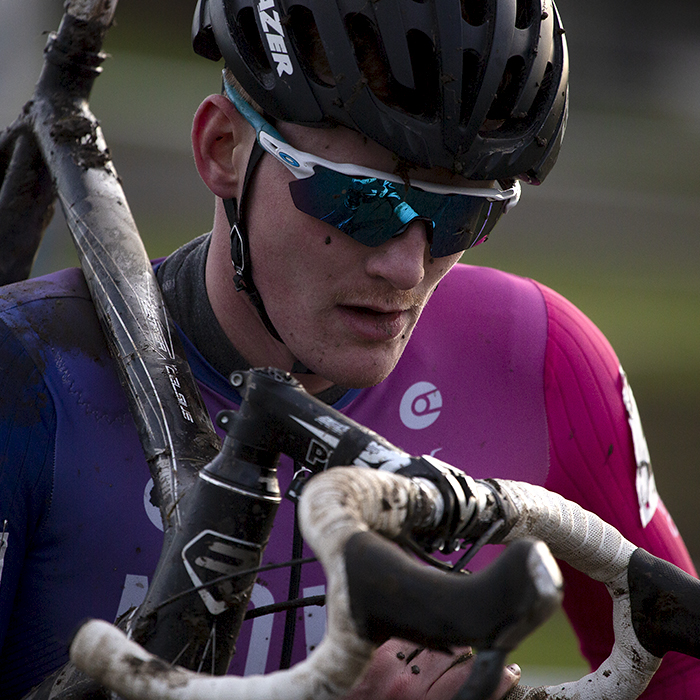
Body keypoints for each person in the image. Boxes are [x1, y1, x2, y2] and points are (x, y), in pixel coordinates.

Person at [0, 1, 698, 698]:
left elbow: (682, 672)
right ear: (223, 149)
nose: (405, 267)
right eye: (360, 199)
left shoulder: (539, 357)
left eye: (463, 210)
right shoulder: (29, 374)